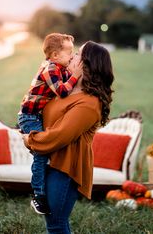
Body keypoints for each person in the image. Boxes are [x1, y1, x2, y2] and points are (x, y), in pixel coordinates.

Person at [23, 41, 114, 234]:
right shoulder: (67, 89)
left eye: (77, 54)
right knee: (53, 223)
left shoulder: (89, 103)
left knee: (56, 223)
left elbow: (59, 136)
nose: (71, 57)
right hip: (52, 161)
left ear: (87, 65)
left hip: (65, 169)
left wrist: (29, 140)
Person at [18, 33, 83, 215]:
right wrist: (76, 75)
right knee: (40, 153)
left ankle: (44, 184)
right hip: (29, 116)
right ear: (55, 55)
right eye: (69, 52)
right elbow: (62, 91)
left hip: (37, 116)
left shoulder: (60, 67)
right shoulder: (51, 68)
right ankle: (38, 195)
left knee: (45, 151)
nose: (71, 56)